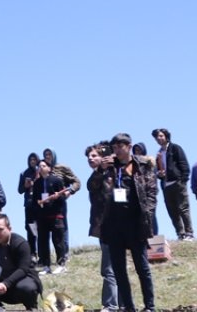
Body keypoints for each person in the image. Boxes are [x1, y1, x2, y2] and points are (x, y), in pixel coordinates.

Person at [99, 132, 157, 312]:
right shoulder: (109, 167)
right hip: (113, 224)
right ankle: (128, 307)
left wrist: (147, 214)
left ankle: (149, 306)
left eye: (120, 147)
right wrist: (100, 170)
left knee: (142, 267)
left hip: (135, 223)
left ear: (129, 146)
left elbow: (152, 191)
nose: (117, 150)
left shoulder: (142, 165)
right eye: (114, 147)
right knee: (119, 269)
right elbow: (92, 187)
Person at [84, 142, 118, 312]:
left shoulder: (116, 172)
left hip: (117, 225)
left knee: (109, 268)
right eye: (89, 156)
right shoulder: (97, 176)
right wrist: (100, 170)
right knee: (109, 268)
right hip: (103, 227)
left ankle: (111, 305)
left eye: (94, 155)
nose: (90, 158)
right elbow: (90, 185)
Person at [152, 128, 194, 240]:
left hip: (178, 182)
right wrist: (159, 174)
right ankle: (181, 234)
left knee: (183, 208)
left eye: (161, 136)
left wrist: (183, 179)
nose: (159, 138)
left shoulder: (175, 148)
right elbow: (158, 171)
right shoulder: (159, 154)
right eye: (157, 137)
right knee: (172, 211)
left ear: (166, 136)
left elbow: (184, 164)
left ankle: (189, 233)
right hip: (166, 185)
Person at [41, 148, 80, 266]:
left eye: (49, 154)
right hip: (46, 206)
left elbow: (77, 182)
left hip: (59, 204)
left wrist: (70, 191)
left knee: (62, 228)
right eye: (45, 154)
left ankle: (64, 254)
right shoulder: (41, 168)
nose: (48, 156)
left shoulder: (62, 167)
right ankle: (45, 258)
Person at [32, 159, 67, 274]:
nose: (41, 168)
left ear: (49, 168)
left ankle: (61, 264)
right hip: (42, 216)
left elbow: (63, 198)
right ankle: (46, 265)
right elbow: (34, 200)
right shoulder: (36, 183)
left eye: (43, 165)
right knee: (42, 241)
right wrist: (38, 205)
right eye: (39, 166)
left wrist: (57, 197)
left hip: (56, 214)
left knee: (57, 240)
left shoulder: (56, 180)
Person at [17, 153, 41, 264]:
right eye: (30, 159)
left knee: (41, 229)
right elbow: (20, 190)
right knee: (30, 229)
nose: (32, 161)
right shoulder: (24, 173)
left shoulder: (41, 171)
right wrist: (26, 186)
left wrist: (35, 182)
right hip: (29, 205)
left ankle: (42, 253)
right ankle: (32, 253)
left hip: (40, 204)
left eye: (34, 159)